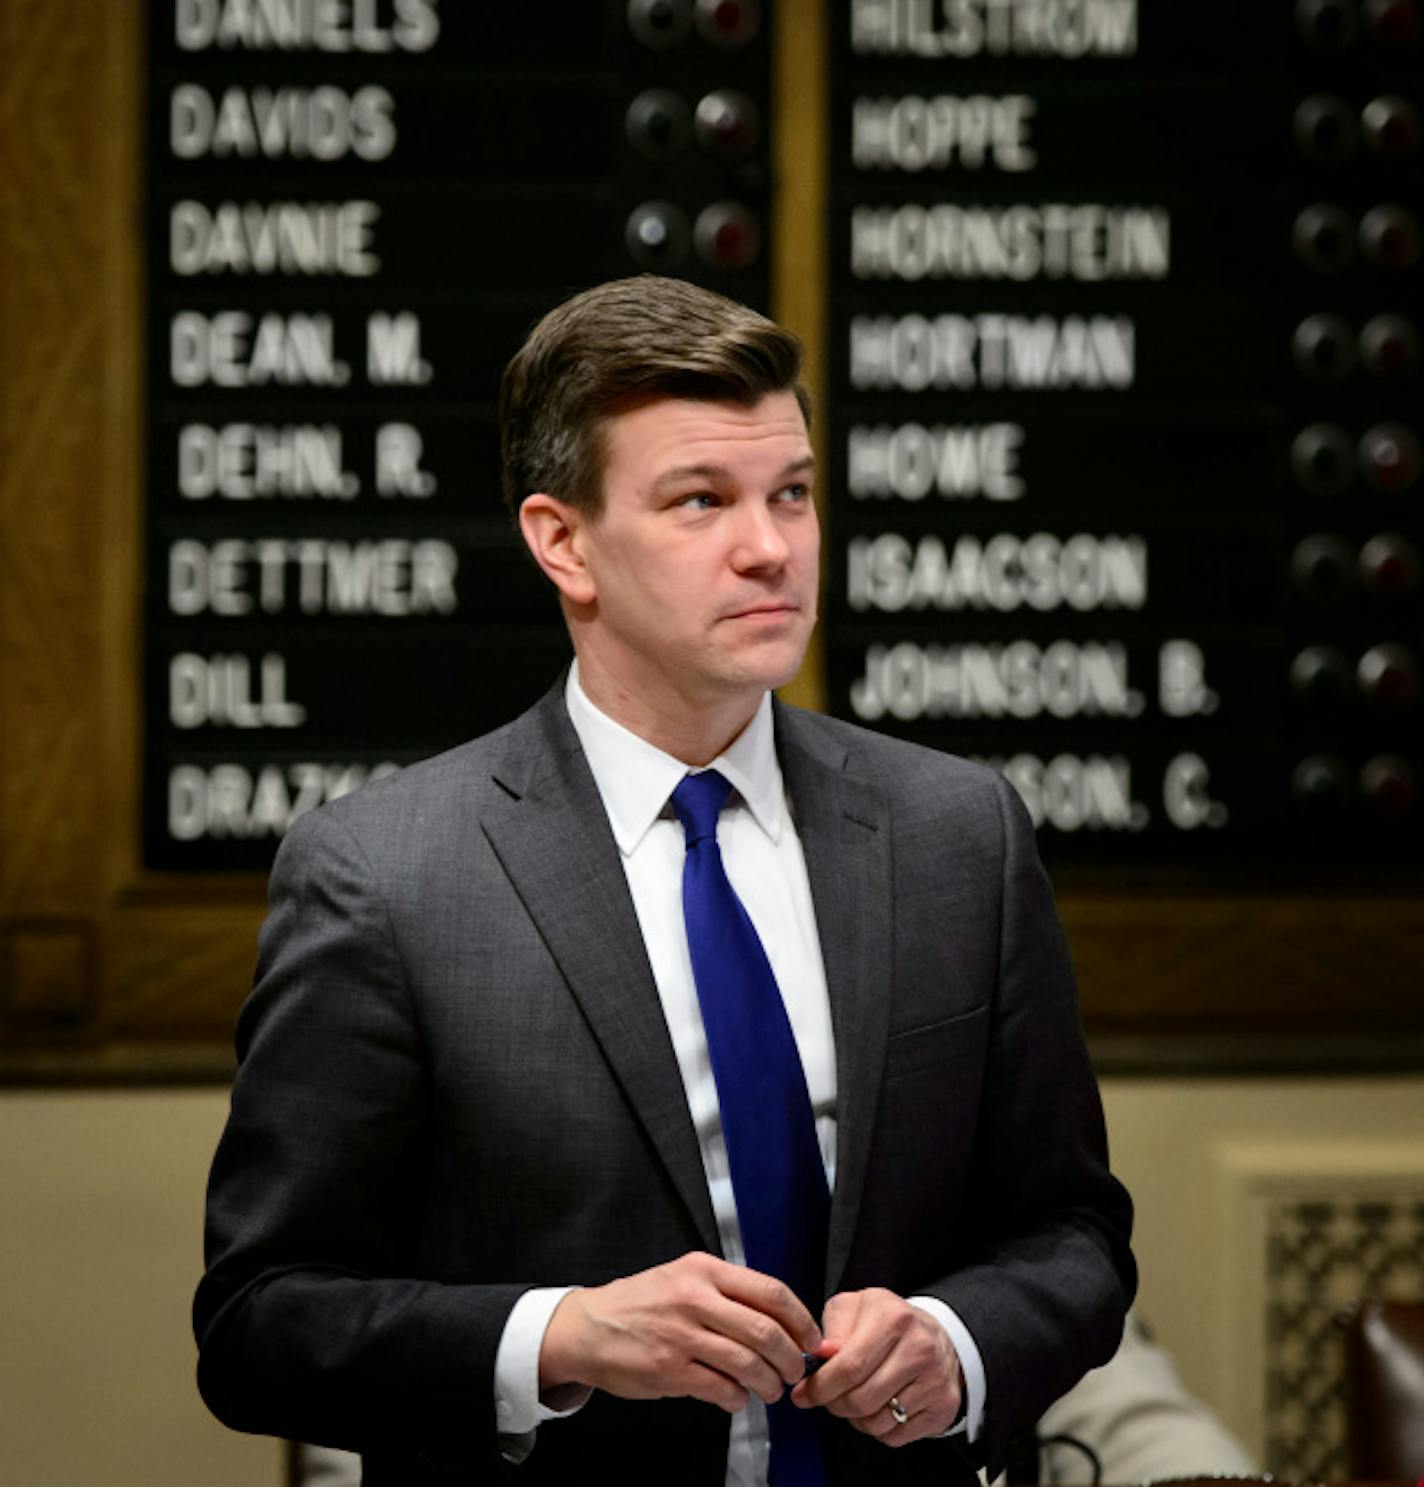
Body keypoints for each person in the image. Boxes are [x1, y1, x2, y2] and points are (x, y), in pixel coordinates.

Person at [194, 275, 1135, 1487]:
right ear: (562, 541)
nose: (769, 546)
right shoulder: (385, 874)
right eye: (701, 500)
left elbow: (1072, 1235)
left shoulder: (959, 833)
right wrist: (560, 1335)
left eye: (789, 493)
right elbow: (259, 1321)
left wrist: (958, 1342)